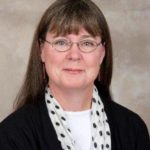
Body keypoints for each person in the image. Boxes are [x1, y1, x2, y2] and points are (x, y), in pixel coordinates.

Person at [0, 0, 150, 149]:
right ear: (41, 51)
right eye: (61, 42)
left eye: (87, 43)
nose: (74, 55)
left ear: (102, 53)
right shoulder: (12, 135)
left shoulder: (133, 129)